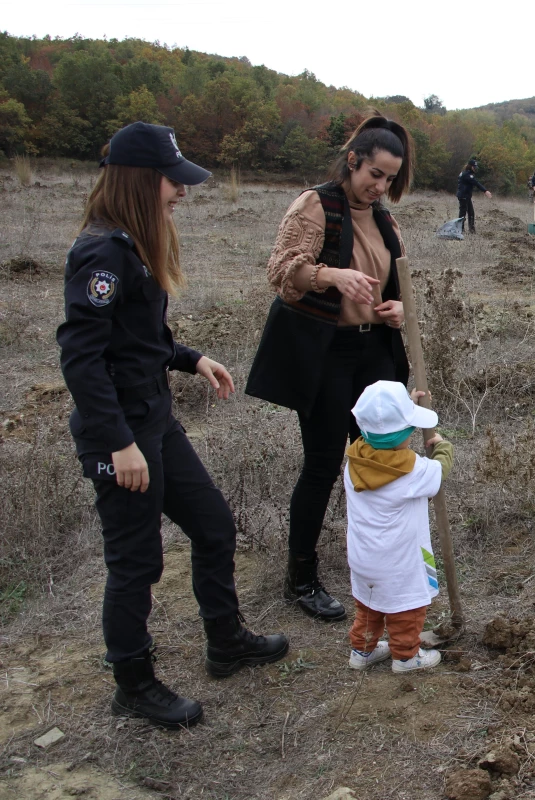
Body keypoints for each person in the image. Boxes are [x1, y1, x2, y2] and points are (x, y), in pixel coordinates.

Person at [57, 122, 289, 729]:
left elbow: (139, 338)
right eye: (172, 181)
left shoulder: (134, 244)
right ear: (139, 179)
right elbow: (82, 358)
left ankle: (226, 641)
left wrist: (189, 358)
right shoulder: (101, 252)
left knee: (213, 524)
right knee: (136, 562)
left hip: (154, 421)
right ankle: (133, 683)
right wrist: (118, 442)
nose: (181, 192)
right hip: (123, 434)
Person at [246, 116, 415, 622]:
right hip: (327, 355)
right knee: (322, 464)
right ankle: (301, 577)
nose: (381, 186)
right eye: (375, 174)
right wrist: (330, 275)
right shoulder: (315, 205)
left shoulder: (385, 220)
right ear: (353, 161)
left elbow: (398, 284)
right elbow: (281, 271)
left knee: (381, 456)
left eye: (389, 178)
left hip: (376, 353)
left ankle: (379, 559)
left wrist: (397, 309)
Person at [343, 380, 454, 673]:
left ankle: (362, 651)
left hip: (363, 558)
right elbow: (438, 472)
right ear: (407, 432)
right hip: (400, 563)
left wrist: (404, 404)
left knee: (369, 607)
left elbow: (381, 426)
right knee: (406, 608)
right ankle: (406, 657)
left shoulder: (354, 461)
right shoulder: (412, 470)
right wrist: (443, 448)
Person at [456, 158, 492, 234]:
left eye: (476, 167)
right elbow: (476, 183)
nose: (475, 169)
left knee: (471, 213)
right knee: (462, 213)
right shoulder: (467, 175)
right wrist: (485, 191)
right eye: (474, 167)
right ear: (470, 166)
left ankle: (471, 230)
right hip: (463, 196)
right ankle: (460, 229)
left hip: (466, 196)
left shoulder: (464, 173)